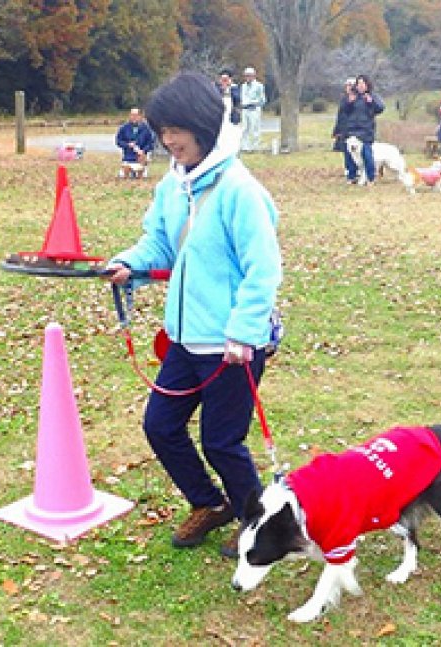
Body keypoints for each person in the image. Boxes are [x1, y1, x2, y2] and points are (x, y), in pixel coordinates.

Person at [104, 72, 282, 558]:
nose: (167, 139)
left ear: (202, 124)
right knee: (160, 426)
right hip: (184, 340)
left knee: (223, 443)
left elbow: (263, 269)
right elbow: (158, 242)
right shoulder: (171, 185)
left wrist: (244, 333)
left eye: (176, 128)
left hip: (230, 347)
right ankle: (208, 503)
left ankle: (258, 523)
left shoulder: (239, 190)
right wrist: (130, 264)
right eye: (163, 129)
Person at [340, 74, 385, 185]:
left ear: (367, 85)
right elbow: (343, 110)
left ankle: (370, 177)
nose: (360, 86)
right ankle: (352, 176)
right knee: (350, 154)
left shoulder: (372, 96)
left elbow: (380, 108)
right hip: (351, 131)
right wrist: (349, 102)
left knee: (367, 154)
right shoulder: (351, 96)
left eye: (362, 83)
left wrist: (371, 102)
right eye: (358, 83)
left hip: (366, 131)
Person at [115, 108, 155, 178]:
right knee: (123, 176)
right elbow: (118, 141)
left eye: (136, 115)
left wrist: (143, 151)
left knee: (142, 176)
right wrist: (127, 145)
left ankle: (140, 171)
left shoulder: (146, 129)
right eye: (132, 115)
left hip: (141, 159)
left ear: (140, 116)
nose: (134, 117)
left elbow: (150, 144)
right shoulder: (124, 128)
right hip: (128, 158)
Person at [239, 66, 266, 152]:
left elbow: (263, 99)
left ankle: (255, 146)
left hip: (254, 109)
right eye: (246, 75)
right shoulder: (243, 86)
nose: (248, 77)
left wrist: (254, 103)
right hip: (245, 109)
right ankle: (245, 147)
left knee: (255, 128)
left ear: (254, 76)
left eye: (249, 75)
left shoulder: (259, 86)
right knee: (244, 128)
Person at [216, 68, 243, 154]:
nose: (224, 81)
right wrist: (222, 89)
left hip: (231, 114)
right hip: (219, 114)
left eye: (226, 79)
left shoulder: (234, 88)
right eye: (222, 79)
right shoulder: (216, 88)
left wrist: (229, 88)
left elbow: (238, 99)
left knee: (232, 132)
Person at [331, 77, 355, 156]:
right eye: (347, 86)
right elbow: (340, 115)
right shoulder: (344, 99)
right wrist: (336, 131)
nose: (349, 87)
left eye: (351, 85)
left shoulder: (357, 99)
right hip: (343, 128)